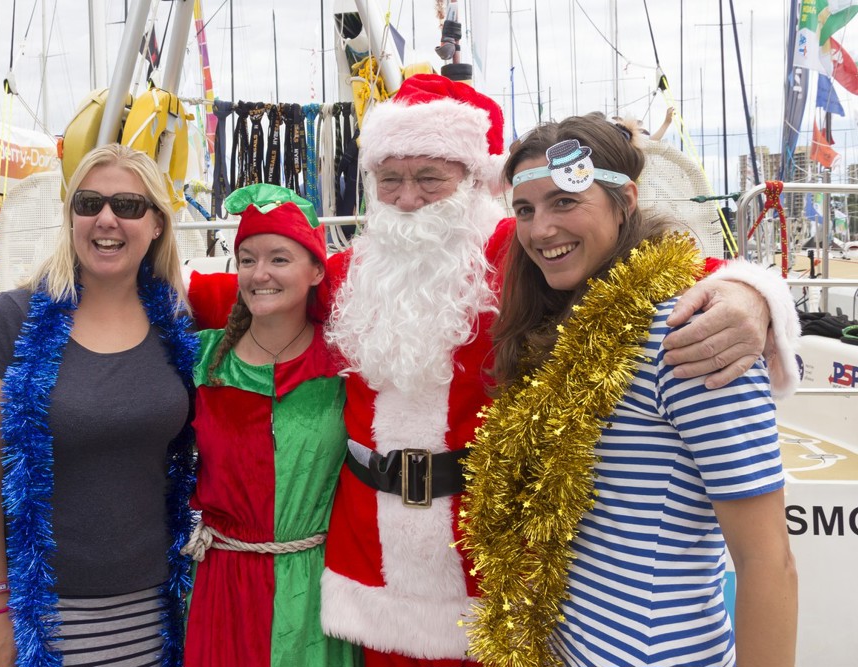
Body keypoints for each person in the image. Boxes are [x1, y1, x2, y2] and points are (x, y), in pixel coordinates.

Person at [187, 74, 797, 666]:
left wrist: (749, 292)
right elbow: (248, 290)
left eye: (429, 178)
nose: (405, 199)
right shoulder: (351, 273)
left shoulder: (523, 250)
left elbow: (670, 268)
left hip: (483, 557)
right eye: (389, 179)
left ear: (473, 178)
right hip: (364, 558)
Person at [460, 113, 798, 667]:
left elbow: (768, 562)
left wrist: (755, 293)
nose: (540, 229)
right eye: (525, 209)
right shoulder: (561, 329)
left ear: (626, 201)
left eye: (565, 201)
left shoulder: (690, 335)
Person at [0, 144, 197, 667]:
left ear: (156, 223)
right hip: (43, 616)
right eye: (89, 203)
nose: (106, 218)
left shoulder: (178, 324)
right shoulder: (11, 320)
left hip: (157, 613)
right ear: (71, 217)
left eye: (128, 206)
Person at [181, 183, 360, 667]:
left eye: (279, 259)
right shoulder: (201, 360)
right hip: (223, 587)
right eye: (246, 259)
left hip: (317, 592)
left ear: (316, 270)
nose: (260, 274)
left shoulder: (347, 362)